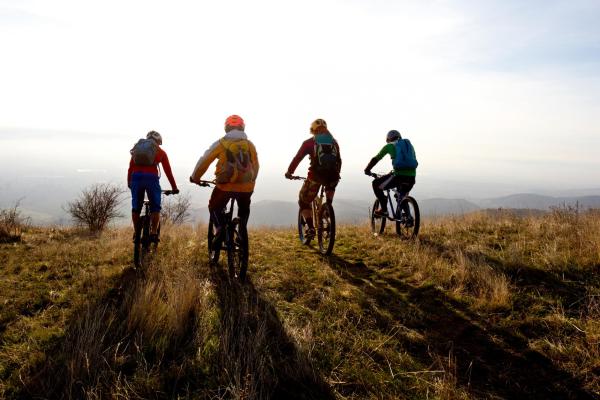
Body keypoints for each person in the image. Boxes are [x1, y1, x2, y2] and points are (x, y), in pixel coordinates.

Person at [190, 114, 259, 244]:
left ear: (226, 128)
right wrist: (251, 181)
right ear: (242, 128)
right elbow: (256, 166)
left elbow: (204, 161)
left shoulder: (221, 143)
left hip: (225, 186)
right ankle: (242, 231)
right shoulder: (250, 145)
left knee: (214, 206)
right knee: (244, 208)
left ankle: (220, 228)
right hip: (246, 187)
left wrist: (195, 177)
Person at [285, 118, 341, 238]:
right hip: (333, 177)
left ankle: (310, 228)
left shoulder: (309, 142)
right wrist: (337, 174)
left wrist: (289, 172)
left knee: (303, 200)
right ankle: (328, 208)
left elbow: (298, 158)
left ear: (312, 130)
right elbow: (339, 160)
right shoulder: (334, 142)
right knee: (330, 187)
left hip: (315, 177)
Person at [128, 130, 179, 243]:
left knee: (136, 207)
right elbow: (168, 172)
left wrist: (129, 183)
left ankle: (137, 233)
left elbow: (130, 167)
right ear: (158, 141)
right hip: (151, 179)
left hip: (136, 178)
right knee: (155, 207)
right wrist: (174, 188)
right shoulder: (160, 152)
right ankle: (154, 233)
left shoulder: (137, 150)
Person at [364, 129, 417, 218]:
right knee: (400, 196)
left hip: (398, 176)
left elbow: (376, 158)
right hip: (411, 177)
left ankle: (384, 210)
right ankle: (408, 217)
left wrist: (367, 169)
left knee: (376, 184)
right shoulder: (409, 146)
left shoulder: (389, 146)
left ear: (388, 139)